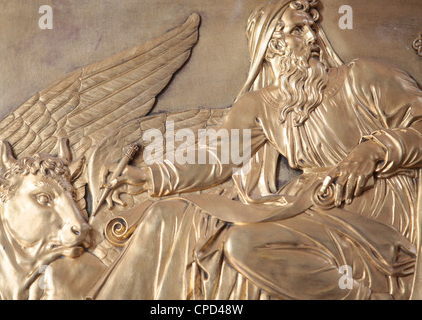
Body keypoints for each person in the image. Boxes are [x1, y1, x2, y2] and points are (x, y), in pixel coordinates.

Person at [94, 0, 422, 300]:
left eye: (311, 28)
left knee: (245, 243)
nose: (312, 39)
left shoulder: (364, 77)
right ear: (272, 45)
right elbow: (217, 160)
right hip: (311, 205)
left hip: (373, 200)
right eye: (297, 30)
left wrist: (374, 150)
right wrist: (148, 176)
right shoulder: (260, 106)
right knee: (192, 222)